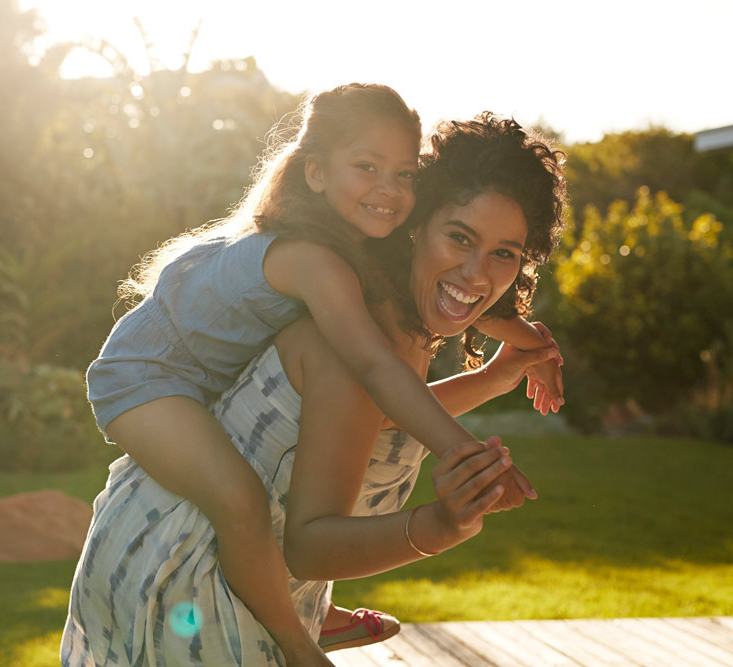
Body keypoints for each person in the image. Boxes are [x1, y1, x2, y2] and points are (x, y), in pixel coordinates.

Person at [84, 84, 562, 665]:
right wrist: (458, 475)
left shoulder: (386, 308)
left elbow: (379, 414)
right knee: (240, 499)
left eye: (504, 254)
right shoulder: (343, 304)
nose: (475, 271)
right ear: (416, 226)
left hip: (215, 565)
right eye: (459, 237)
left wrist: (509, 365)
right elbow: (370, 380)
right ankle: (301, 641)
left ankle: (314, 620)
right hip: (185, 574)